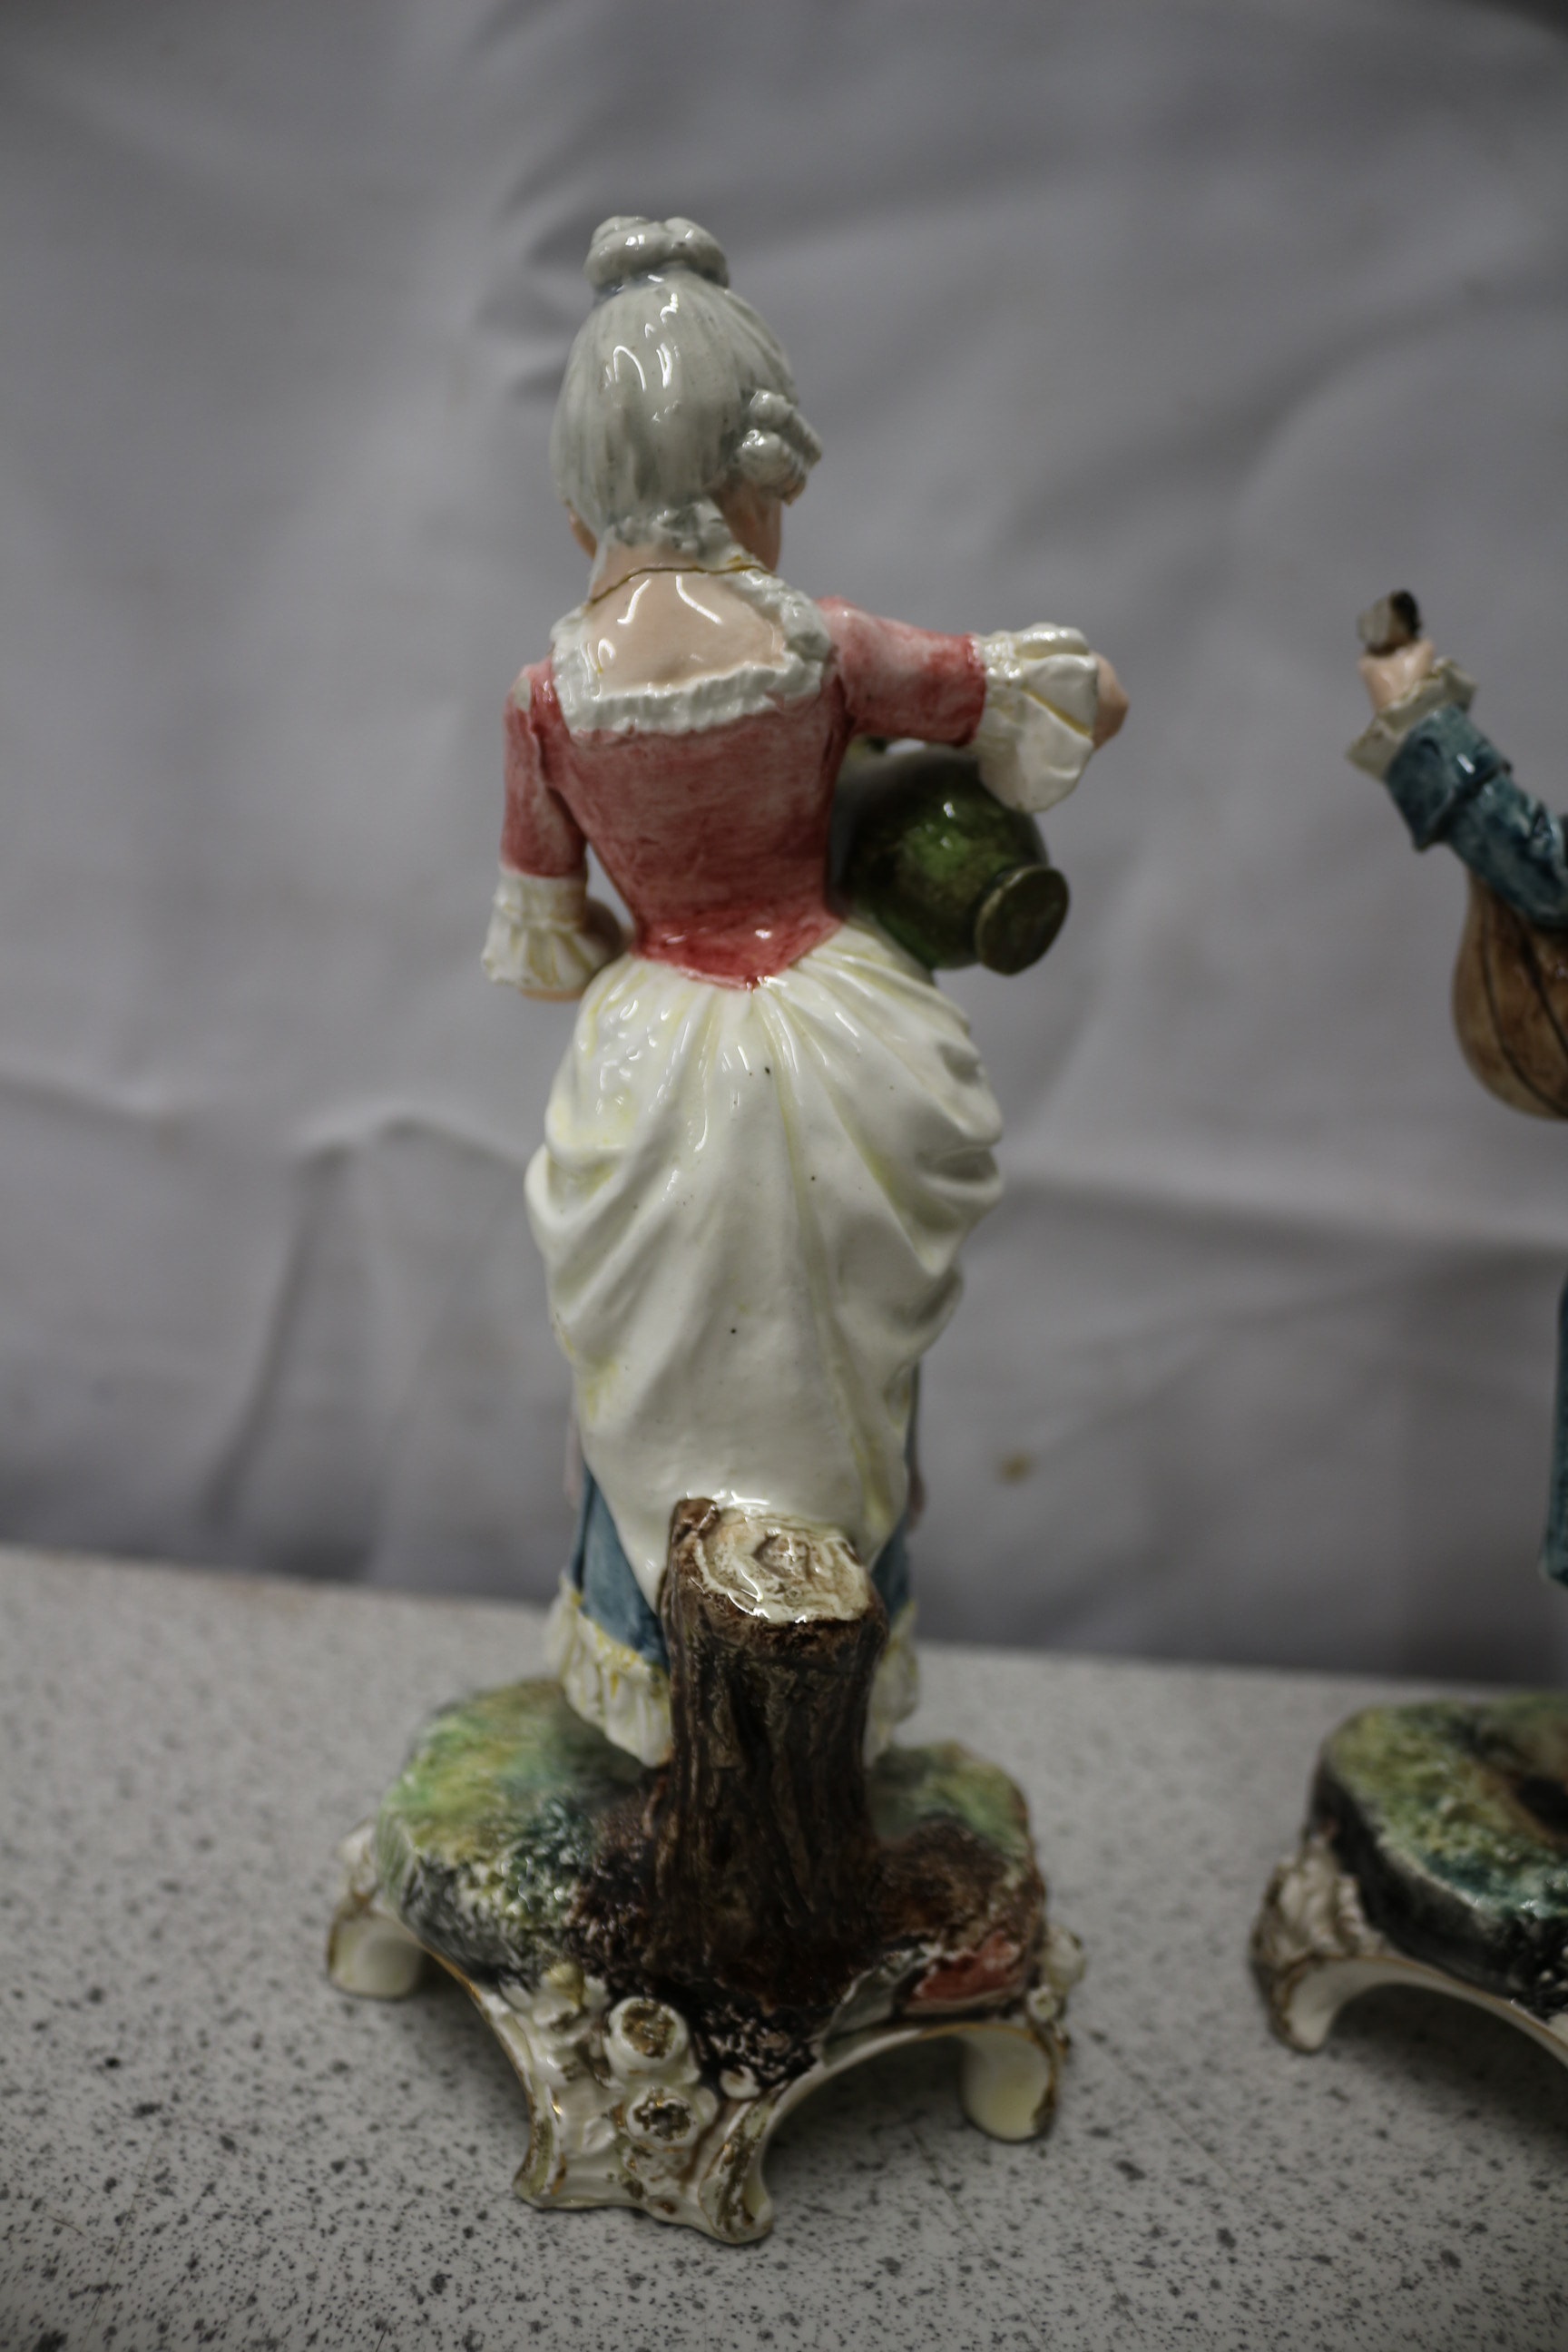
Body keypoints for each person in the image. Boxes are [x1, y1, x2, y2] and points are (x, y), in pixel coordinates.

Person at [485, 215, 1126, 1760]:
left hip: (656, 1054)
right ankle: (831, 1660)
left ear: (580, 496)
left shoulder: (548, 699)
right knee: (838, 1359)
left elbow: (549, 937)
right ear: (753, 481)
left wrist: (645, 948)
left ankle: (657, 1666)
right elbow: (1071, 699)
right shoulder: (824, 647)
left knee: (653, 1376)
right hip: (844, 1040)